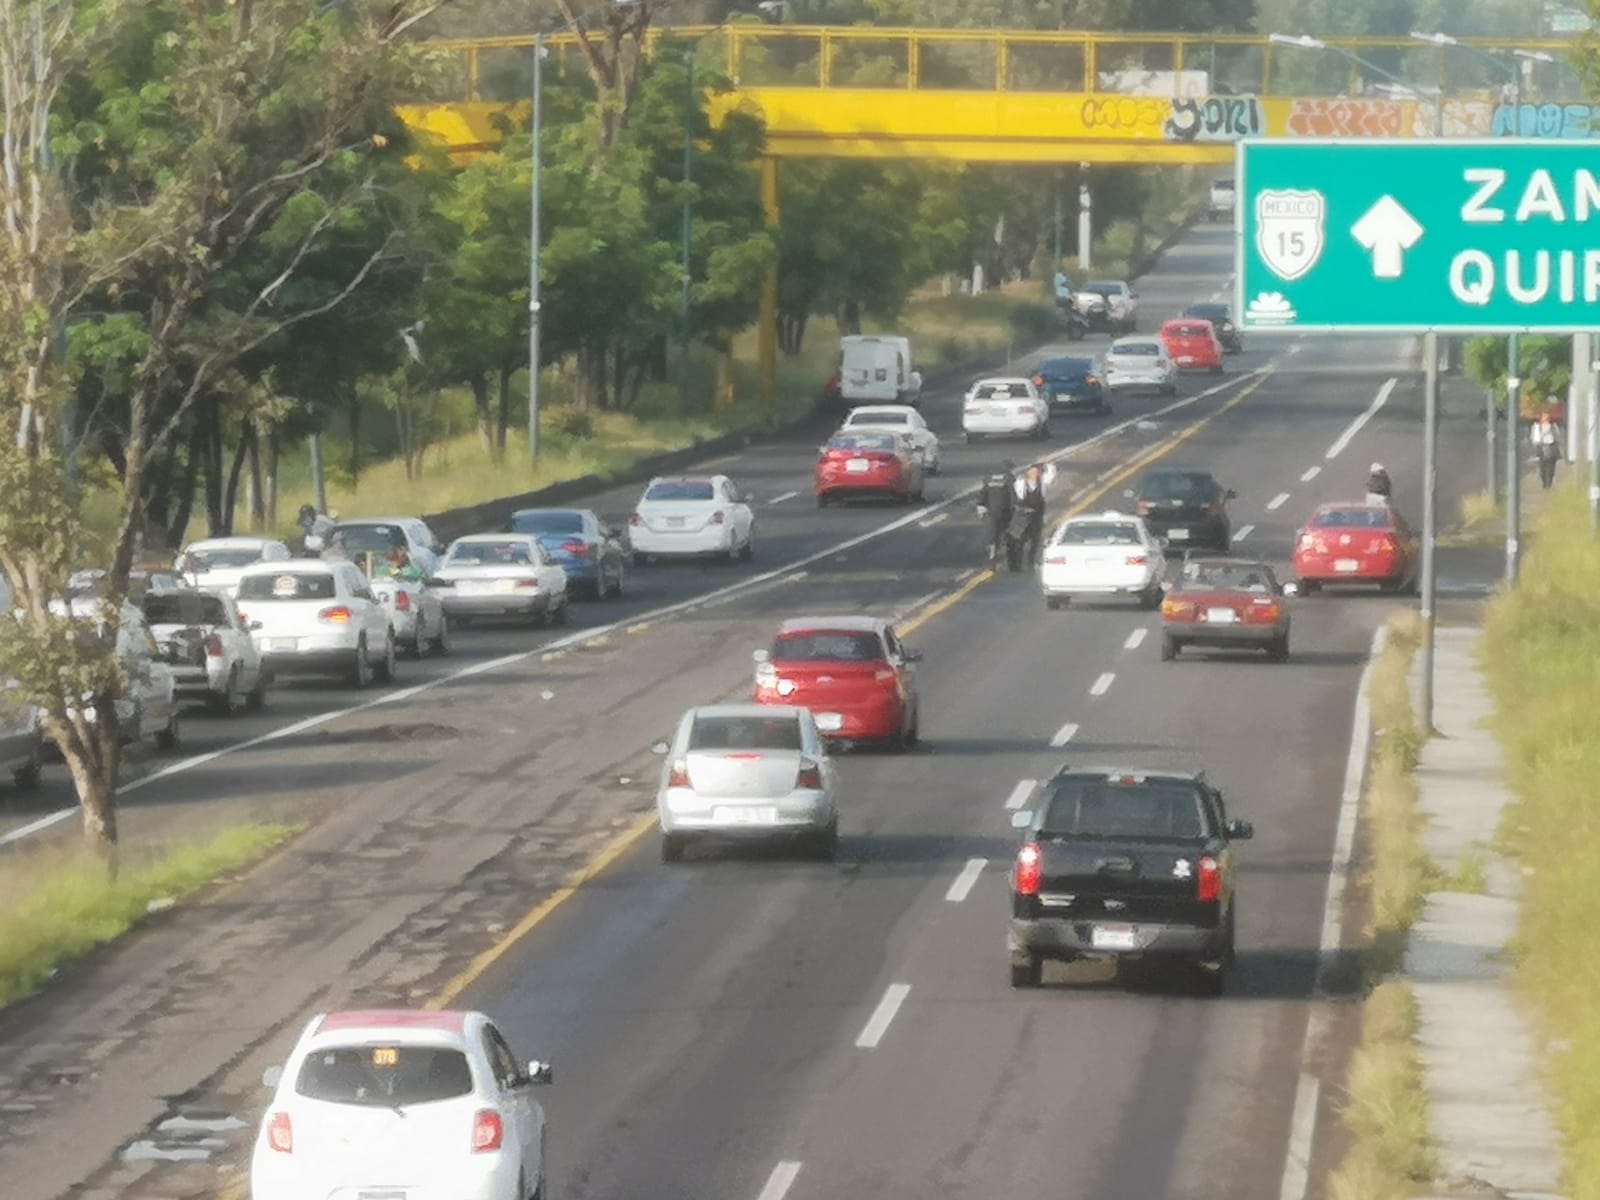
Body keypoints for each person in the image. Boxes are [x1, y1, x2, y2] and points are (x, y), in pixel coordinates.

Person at [1010, 461, 1059, 569]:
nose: (1034, 473)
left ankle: (1031, 563)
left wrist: (1049, 464)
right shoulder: (1021, 483)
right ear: (1027, 472)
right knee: (1020, 540)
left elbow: (1051, 475)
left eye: (1037, 472)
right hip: (1023, 516)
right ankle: (1017, 564)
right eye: (1032, 471)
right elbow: (1016, 496)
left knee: (1035, 540)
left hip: (1037, 516)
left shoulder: (1042, 483)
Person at [977, 461, 1018, 570]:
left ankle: (992, 561)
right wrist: (1016, 508)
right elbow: (1012, 495)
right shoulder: (1009, 478)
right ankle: (1012, 564)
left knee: (993, 538)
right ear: (1009, 469)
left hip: (992, 513)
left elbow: (982, 495)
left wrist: (980, 508)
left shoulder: (988, 478)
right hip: (1006, 512)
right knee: (1010, 537)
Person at [1531, 410, 1563, 490]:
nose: (1545, 418)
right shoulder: (1537, 426)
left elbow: (1557, 435)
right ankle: (1544, 482)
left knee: (1551, 467)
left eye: (1547, 417)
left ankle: (1549, 483)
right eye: (1544, 417)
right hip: (1542, 447)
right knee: (1542, 467)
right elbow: (1535, 438)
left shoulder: (1553, 426)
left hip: (1551, 446)